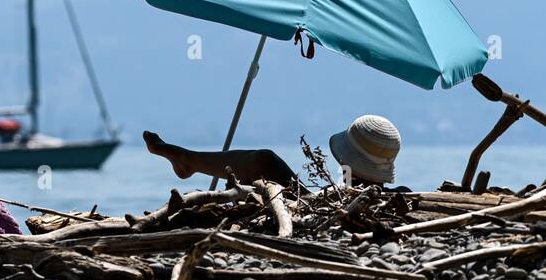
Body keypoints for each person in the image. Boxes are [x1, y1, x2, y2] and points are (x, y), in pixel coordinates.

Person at [143, 114, 402, 188]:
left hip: (312, 206)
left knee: (263, 159)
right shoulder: (393, 194)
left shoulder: (354, 192)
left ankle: (187, 161)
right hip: (325, 200)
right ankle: (186, 160)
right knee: (262, 161)